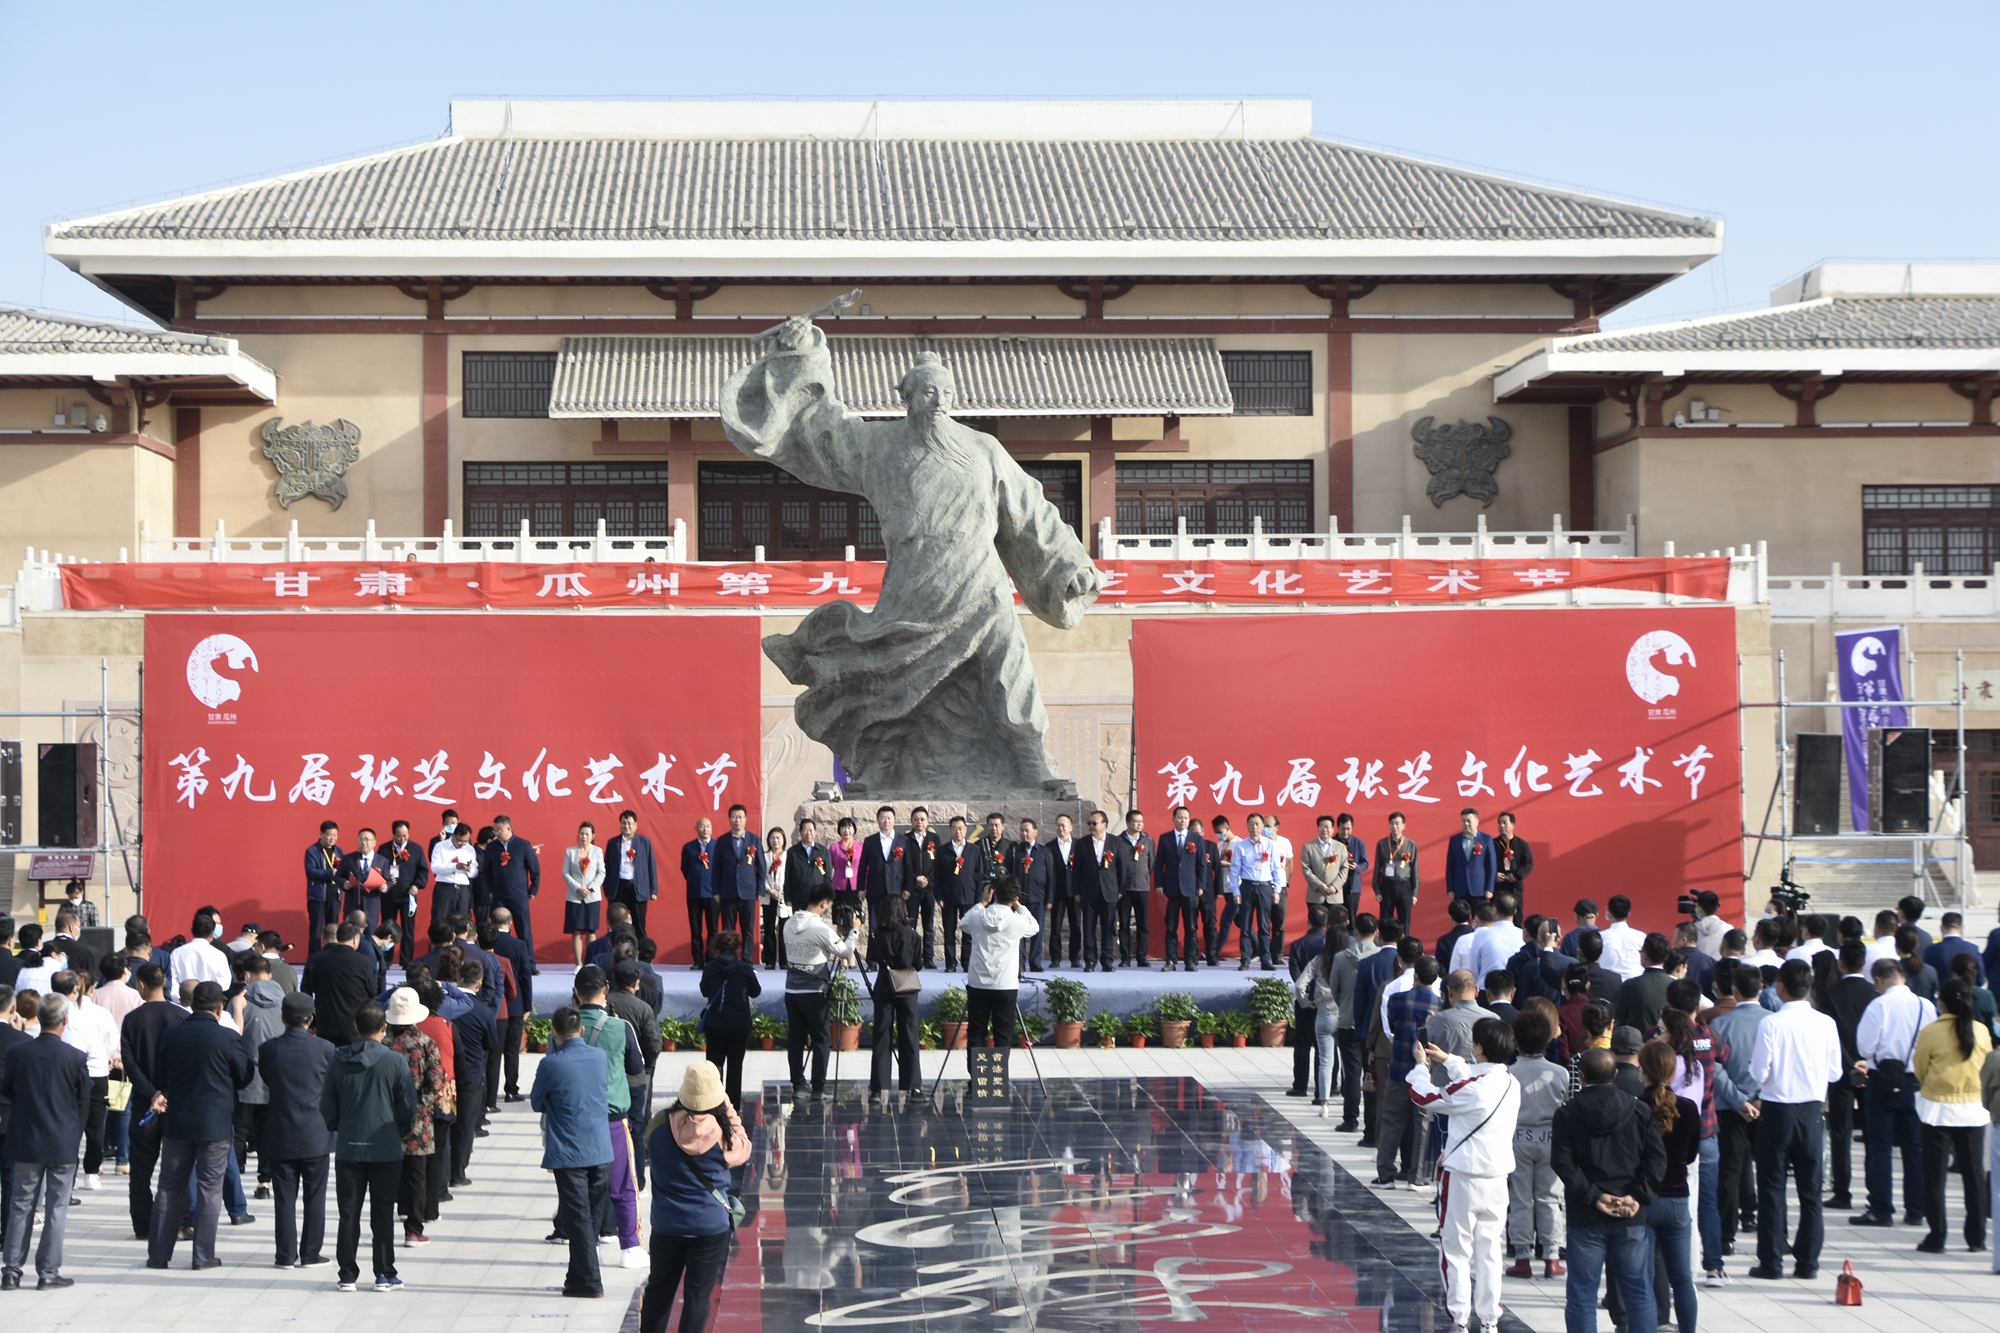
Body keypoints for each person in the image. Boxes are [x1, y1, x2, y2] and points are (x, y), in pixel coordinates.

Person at [1408, 1016, 1518, 1333]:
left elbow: (1424, 1096)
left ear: (1479, 1048)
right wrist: (1448, 1059)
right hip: (1497, 1178)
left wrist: (1421, 1066)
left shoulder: (1472, 1089)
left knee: (1456, 1250)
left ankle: (1459, 1317)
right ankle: (1489, 1319)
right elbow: (1473, 1077)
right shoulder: (1511, 1083)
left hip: (1462, 1177)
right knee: (1489, 1251)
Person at [1553, 1047, 1665, 1333]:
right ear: (1615, 1074)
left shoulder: (1567, 1113)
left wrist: (1594, 1196)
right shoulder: (1639, 1110)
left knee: (1582, 1294)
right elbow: (1656, 1159)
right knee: (1638, 1292)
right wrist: (1637, 1196)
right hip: (1630, 1214)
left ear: (1581, 1076)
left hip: (1586, 1215)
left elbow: (1562, 1163)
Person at [147, 981, 255, 1270]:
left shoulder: (172, 1035)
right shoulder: (227, 1038)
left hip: (178, 1121)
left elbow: (160, 1074)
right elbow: (244, 1075)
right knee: (209, 1189)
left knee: (168, 1186)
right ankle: (203, 1256)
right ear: (220, 1008)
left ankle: (158, 1253)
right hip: (214, 1123)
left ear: (192, 1004)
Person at [1745, 959, 1842, 1279]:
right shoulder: (1826, 1023)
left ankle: (1771, 1262)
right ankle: (1808, 1263)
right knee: (1811, 1193)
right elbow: (1835, 1072)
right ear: (1809, 986)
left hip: (1777, 1111)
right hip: (1812, 1112)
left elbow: (1759, 1073)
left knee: (1772, 1189)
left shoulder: (1772, 1023)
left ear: (1781, 987)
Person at [643, 1061, 751, 1333]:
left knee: (658, 1290)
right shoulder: (724, 1136)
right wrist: (727, 1109)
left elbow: (648, 1144)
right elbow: (744, 1147)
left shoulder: (659, 1125)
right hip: (709, 1226)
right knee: (698, 1296)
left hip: (667, 1223)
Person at [321, 1001, 416, 1292]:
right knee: (383, 1212)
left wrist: (340, 1126)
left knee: (348, 1212)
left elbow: (327, 1104)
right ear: (384, 1028)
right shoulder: (395, 1061)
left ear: (355, 1027)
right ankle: (384, 1273)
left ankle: (347, 1274)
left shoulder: (337, 1060)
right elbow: (407, 1105)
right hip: (385, 1147)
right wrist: (399, 1130)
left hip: (349, 1146)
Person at [0, 992, 89, 1291]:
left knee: (20, 1205)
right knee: (56, 1208)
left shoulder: (18, 1052)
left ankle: (11, 1270)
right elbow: (83, 1098)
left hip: (26, 1138)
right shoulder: (75, 1057)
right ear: (65, 1020)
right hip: (61, 1140)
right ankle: (48, 1271)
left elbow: (7, 1090)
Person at [532, 1005, 613, 1299]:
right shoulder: (599, 1056)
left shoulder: (551, 1064)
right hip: (600, 1148)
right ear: (582, 1030)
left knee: (579, 1221)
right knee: (589, 1220)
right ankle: (576, 1277)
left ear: (554, 1034)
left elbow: (536, 1102)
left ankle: (590, 1282)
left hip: (570, 1153)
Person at [1852, 955, 1935, 1227]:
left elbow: (1865, 1047)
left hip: (1883, 1079)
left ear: (1879, 980)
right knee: (1914, 1147)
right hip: (1915, 1081)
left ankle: (1881, 1209)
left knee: (1880, 1146)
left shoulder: (1879, 1005)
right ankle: (1916, 1209)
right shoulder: (1925, 1005)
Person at [1912, 977, 1990, 1253]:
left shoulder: (1931, 1032)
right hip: (1974, 1109)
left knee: (1935, 1176)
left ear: (1942, 1003)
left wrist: (1933, 1086)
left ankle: (1937, 1236)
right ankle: (1977, 1238)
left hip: (1937, 1109)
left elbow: (1920, 1068)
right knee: (1974, 1176)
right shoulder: (1981, 1031)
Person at [259, 990, 336, 1268]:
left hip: (281, 1131)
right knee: (315, 1197)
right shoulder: (326, 1048)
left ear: (283, 1018)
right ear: (310, 1019)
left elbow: (268, 1079)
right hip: (316, 1132)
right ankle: (311, 1253)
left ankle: (285, 1254)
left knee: (284, 1198)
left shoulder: (268, 1049)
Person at [1639, 1039, 1699, 1333]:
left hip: (1645, 1199)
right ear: (1673, 1071)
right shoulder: (1688, 1107)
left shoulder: (1636, 1106)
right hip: (1677, 1199)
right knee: (1683, 1279)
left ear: (1643, 1071)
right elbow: (1691, 1155)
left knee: (1646, 1279)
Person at [379, 987, 446, 1247]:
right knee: (417, 1176)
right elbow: (436, 1082)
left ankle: (385, 1226)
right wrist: (419, 1107)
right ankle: (414, 1230)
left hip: (385, 1120)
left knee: (386, 1177)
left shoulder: (383, 1044)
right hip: (419, 1121)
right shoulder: (426, 1044)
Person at [1505, 1009, 1569, 1279]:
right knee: (1550, 1197)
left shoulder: (1508, 1073)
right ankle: (1552, 1256)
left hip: (1517, 1137)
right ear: (1548, 1039)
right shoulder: (1560, 1073)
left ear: (1516, 1040)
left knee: (1520, 1198)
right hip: (1551, 1137)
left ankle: (1522, 1257)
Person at [781, 886, 859, 1101]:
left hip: (792, 990)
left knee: (796, 1040)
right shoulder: (821, 929)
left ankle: (798, 1085)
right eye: (829, 906)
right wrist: (854, 931)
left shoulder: (788, 924)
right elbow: (845, 951)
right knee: (821, 1040)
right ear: (824, 904)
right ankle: (818, 1088)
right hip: (814, 992)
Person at [1376, 954, 1441, 1187]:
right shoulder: (1440, 1006)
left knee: (1392, 1121)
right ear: (1435, 978)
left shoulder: (1397, 1000)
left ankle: (1385, 1174)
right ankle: (1417, 1176)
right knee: (1422, 1123)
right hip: (1425, 1074)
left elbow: (1392, 1027)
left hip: (1399, 1070)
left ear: (1416, 976)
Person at [1820, 939, 1874, 1212]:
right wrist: (1866, 1063)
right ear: (1864, 962)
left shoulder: (1830, 994)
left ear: (1841, 964)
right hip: (1870, 1070)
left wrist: (1850, 1063)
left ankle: (1842, 1191)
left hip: (1841, 1071)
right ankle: (1875, 1192)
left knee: (1841, 1131)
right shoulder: (1874, 993)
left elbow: (1832, 1036)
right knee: (1872, 1133)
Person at [962, 879, 1040, 1049]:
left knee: (976, 1033)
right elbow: (1034, 927)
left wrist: (983, 902)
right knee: (1003, 1035)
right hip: (1005, 984)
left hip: (978, 983)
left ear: (993, 893)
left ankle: (977, 1067)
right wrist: (1019, 906)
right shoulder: (1017, 921)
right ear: (1015, 897)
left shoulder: (977, 916)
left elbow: (963, 924)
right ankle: (1000, 1068)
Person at [235, 953, 287, 1199]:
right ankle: (265, 1182)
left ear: (247, 975)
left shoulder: (241, 1001)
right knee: (268, 1131)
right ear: (270, 974)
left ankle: (233, 1181)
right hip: (275, 1075)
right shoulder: (285, 1001)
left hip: (245, 1074)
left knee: (239, 1129)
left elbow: (233, 1037)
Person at [1328, 913, 1380, 1132]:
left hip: (1348, 1021)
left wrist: (1346, 1006)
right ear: (1376, 932)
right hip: (1372, 1025)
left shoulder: (1341, 958)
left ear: (1355, 932)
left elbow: (1335, 989)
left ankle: (1350, 1119)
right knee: (1372, 1072)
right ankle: (1372, 1123)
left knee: (1351, 1073)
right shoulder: (1381, 957)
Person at [868, 897, 923, 1101]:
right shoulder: (912, 934)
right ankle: (913, 1087)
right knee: (909, 1035)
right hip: (906, 986)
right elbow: (918, 964)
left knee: (882, 1035)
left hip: (884, 985)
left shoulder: (876, 935)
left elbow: (873, 958)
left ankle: (878, 1088)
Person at [698, 932, 760, 1109]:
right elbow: (755, 991)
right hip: (739, 1023)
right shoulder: (745, 968)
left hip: (715, 1022)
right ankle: (732, 1106)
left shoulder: (710, 968)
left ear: (717, 946)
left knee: (714, 1067)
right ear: (738, 947)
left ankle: (714, 1104)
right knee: (735, 1067)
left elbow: (704, 991)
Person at [304, 921, 384, 1047]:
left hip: (325, 1025)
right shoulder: (364, 962)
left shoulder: (318, 961)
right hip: (354, 1026)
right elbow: (372, 991)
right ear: (355, 940)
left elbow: (308, 989)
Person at [1153, 807, 1206, 972]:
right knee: (1171, 927)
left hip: (1190, 889)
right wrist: (1159, 884)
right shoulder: (1165, 838)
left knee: (1191, 927)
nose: (1183, 820)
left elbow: (1201, 865)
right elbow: (1159, 864)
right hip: (1172, 889)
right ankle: (1171, 960)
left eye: (1186, 818)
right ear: (1173, 819)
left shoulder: (1196, 839)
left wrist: (1201, 885)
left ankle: (1190, 960)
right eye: (1180, 817)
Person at [1288, 905, 1331, 1098]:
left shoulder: (1298, 944)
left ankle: (1300, 1085)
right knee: (1326, 1044)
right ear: (1326, 922)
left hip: (1305, 999)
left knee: (1303, 1044)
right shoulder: (1331, 944)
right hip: (1327, 1000)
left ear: (1308, 921)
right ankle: (1329, 1085)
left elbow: (1296, 974)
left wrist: (1306, 997)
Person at [482, 815, 541, 958]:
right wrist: (490, 889)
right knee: (498, 930)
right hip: (499, 896)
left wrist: (533, 889)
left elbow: (535, 869)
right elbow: (486, 870)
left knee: (524, 930)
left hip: (519, 895)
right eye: (495, 831)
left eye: (499, 830)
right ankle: (499, 960)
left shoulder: (523, 845)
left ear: (509, 829)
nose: (496, 834)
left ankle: (528, 962)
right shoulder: (492, 847)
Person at [1230, 812, 1281, 971]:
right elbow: (1234, 871)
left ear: (1262, 826)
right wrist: (1236, 892)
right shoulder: (1241, 846)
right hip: (1247, 887)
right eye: (1251, 824)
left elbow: (1277, 869)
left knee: (1264, 926)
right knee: (1245, 925)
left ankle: (1266, 959)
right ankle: (1245, 959)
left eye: (1257, 824)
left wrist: (1277, 890)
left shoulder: (1270, 845)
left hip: (1265, 887)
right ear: (1247, 826)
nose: (1254, 827)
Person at [716, 804, 764, 962]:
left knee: (748, 929)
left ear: (745, 819)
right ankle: (729, 958)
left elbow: (761, 866)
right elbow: (716, 868)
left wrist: (760, 890)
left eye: (740, 817)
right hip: (728, 891)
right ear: (729, 819)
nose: (737, 820)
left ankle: (747, 960)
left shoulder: (754, 840)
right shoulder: (722, 841)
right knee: (728, 930)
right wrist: (716, 891)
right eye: (734, 817)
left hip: (748, 891)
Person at [1307, 921, 1346, 1114]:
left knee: (1325, 1061)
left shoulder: (1319, 960)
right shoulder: (1349, 960)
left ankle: (1324, 1103)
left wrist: (1307, 1002)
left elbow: (1299, 985)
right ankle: (1350, 1101)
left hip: (1324, 1013)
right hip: (1346, 1014)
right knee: (1349, 1062)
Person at [606, 810, 660, 946]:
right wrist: (607, 890)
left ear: (636, 825)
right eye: (624, 823)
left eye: (629, 823)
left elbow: (651, 865)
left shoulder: (644, 842)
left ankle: (639, 954)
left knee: (639, 926)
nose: (626, 826)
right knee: (616, 925)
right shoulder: (613, 843)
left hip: (638, 888)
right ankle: (615, 952)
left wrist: (653, 890)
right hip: (618, 888)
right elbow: (607, 867)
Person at [782, 821, 830, 972]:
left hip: (818, 900)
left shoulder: (823, 851)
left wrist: (828, 898)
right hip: (799, 896)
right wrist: (788, 897)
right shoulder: (793, 852)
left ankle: (817, 960)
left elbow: (828, 877)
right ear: (800, 832)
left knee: (817, 929)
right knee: (800, 929)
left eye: (811, 830)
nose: (808, 833)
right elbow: (788, 876)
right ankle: (799, 961)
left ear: (815, 832)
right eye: (805, 830)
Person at [1075, 811, 1119, 974]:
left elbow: (1122, 867)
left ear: (1104, 825)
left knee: (1108, 928)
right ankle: (1090, 960)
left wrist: (1120, 890)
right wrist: (1077, 891)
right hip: (1088, 891)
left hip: (1109, 891)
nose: (1091, 826)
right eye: (1089, 823)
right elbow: (1077, 869)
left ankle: (1107, 960)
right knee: (1088, 928)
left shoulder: (1115, 842)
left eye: (1094, 823)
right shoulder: (1082, 843)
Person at [1113, 809, 1155, 968]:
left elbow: (1151, 864)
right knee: (1123, 924)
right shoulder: (1118, 841)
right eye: (1136, 821)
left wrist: (1142, 876)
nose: (1139, 824)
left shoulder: (1148, 840)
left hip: (1142, 888)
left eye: (1141, 822)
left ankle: (1141, 957)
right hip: (1124, 889)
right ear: (1128, 823)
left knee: (1142, 924)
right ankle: (1125, 957)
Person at [562, 820, 607, 966]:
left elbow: (601, 873)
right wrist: (578, 888)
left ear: (593, 836)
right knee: (576, 931)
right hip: (575, 896)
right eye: (582, 834)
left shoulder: (597, 851)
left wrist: (590, 888)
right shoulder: (570, 852)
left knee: (591, 931)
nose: (584, 837)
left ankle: (590, 962)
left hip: (592, 897)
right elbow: (565, 873)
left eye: (587, 834)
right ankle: (578, 964)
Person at [856, 805, 908, 928]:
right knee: (875, 924)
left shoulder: (903, 840)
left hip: (896, 888)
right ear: (878, 820)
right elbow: (862, 866)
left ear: (894, 820)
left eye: (889, 818)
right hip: (875, 888)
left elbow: (908, 866)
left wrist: (907, 888)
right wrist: (861, 888)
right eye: (883, 818)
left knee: (896, 923)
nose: (886, 821)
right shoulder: (870, 841)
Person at [1011, 818, 1052, 974]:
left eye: (1027, 830)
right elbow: (1008, 874)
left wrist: (1049, 899)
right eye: (1021, 830)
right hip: (1018, 900)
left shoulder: (1044, 852)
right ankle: (1020, 962)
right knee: (1019, 932)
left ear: (1035, 832)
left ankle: (1035, 962)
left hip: (1038, 898)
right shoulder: (1014, 851)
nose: (1024, 833)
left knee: (1037, 931)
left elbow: (1051, 877)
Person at [679, 817, 722, 969]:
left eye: (708, 826)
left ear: (712, 828)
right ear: (696, 828)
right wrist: (694, 879)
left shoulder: (717, 846)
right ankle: (697, 960)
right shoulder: (689, 847)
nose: (705, 829)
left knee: (713, 929)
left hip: (713, 894)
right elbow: (684, 868)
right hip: (694, 893)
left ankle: (711, 958)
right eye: (702, 826)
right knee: (696, 929)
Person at [1614, 934, 1676, 1033]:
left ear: (1644, 956)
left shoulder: (1631, 985)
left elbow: (1618, 1019)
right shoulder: (1675, 986)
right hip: (1667, 1040)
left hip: (1637, 1040)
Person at [905, 808, 942, 965]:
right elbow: (905, 864)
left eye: (922, 819)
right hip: (912, 890)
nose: (919, 822)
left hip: (929, 890)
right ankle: (911, 957)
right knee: (910, 925)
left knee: (928, 926)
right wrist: (915, 878)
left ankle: (928, 958)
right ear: (911, 821)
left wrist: (928, 878)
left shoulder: (934, 839)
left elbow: (938, 863)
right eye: (916, 819)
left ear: (928, 821)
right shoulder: (905, 839)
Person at [1047, 813, 1082, 969]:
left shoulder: (1079, 845)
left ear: (1071, 827)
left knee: (1076, 926)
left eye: (1063, 825)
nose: (1060, 828)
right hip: (1057, 893)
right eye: (1058, 825)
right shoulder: (1049, 847)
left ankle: (1075, 958)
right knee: (1055, 927)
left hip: (1075, 893)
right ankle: (1055, 958)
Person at [170, 908, 234, 995]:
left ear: (192, 931)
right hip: (209, 1000)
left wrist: (180, 998)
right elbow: (224, 984)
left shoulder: (177, 953)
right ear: (212, 933)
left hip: (183, 1000)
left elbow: (172, 983)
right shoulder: (219, 955)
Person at [1443, 807, 1497, 906]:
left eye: (1469, 821)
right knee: (1461, 915)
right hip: (1460, 889)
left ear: (1477, 822)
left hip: (1479, 889)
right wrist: (1450, 889)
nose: (1466, 824)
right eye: (1463, 821)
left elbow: (1492, 865)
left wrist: (1489, 888)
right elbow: (1450, 866)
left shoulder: (1486, 839)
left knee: (1480, 915)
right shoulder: (1454, 840)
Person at [1202, 815, 1237, 965]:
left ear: (1227, 828)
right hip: (1225, 887)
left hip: (1236, 888)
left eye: (1220, 832)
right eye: (1216, 832)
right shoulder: (1218, 846)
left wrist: (1226, 864)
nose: (1218, 835)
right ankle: (1260, 948)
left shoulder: (1239, 844)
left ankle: (1214, 951)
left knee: (1225, 921)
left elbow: (1242, 865)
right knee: (1241, 922)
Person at [1373, 811, 1418, 927]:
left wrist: (1414, 893)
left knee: (1404, 922)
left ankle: (1404, 939)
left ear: (1404, 826)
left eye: (1397, 823)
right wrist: (1377, 890)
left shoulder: (1410, 844)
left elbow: (1415, 870)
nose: (1394, 826)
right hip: (1387, 886)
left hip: (1404, 886)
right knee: (1385, 922)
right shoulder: (1382, 844)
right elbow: (1377, 868)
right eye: (1392, 823)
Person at [306, 822, 345, 945]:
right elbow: (310, 872)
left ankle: (332, 955)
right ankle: (314, 956)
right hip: (318, 897)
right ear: (321, 834)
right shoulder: (312, 851)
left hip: (335, 896)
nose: (332, 838)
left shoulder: (339, 851)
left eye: (335, 835)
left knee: (333, 931)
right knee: (316, 932)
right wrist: (330, 873)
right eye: (329, 835)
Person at [1493, 812, 1531, 918]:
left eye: (1505, 823)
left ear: (1513, 825)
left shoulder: (1521, 844)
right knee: (1497, 917)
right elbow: (1486, 864)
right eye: (1499, 823)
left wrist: (1516, 875)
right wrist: (1494, 875)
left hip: (1515, 887)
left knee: (1516, 918)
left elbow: (1529, 863)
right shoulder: (1492, 844)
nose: (1501, 826)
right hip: (1498, 887)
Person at [1598, 896, 1646, 981]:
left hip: (1608, 984)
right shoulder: (1641, 937)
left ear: (1609, 912)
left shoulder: (1600, 937)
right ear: (1628, 913)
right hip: (1635, 983)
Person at [761, 826, 789, 969]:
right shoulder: (764, 856)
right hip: (768, 896)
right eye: (772, 838)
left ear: (783, 840)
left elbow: (789, 876)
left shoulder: (788, 856)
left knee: (784, 930)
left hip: (783, 898)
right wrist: (769, 890)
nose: (775, 840)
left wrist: (782, 892)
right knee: (769, 929)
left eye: (778, 838)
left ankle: (784, 961)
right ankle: (770, 961)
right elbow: (761, 875)